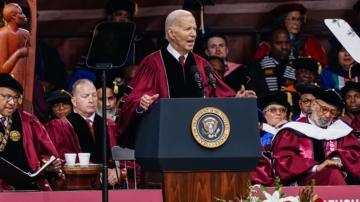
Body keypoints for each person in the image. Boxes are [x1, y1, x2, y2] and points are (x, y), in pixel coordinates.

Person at [117, 9, 256, 149]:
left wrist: (237, 100)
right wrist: (141, 105)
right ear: (171, 33)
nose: (193, 34)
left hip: (201, 142)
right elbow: (131, 103)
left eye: (194, 29)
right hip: (164, 144)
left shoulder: (201, 64)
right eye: (187, 29)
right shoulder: (152, 64)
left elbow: (218, 95)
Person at [271, 88, 360, 185]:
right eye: (324, 109)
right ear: (313, 105)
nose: (327, 115)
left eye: (333, 112)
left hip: (339, 178)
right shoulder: (292, 130)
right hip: (304, 182)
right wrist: (315, 167)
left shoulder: (341, 130)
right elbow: (283, 160)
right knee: (332, 174)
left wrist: (338, 159)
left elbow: (354, 153)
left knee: (334, 173)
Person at [45, 79, 120, 186]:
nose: (91, 100)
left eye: (94, 96)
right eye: (85, 96)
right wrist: (98, 170)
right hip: (76, 184)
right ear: (74, 101)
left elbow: (122, 158)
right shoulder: (60, 126)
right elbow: (61, 158)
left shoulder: (109, 125)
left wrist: (114, 171)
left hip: (110, 183)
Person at [68, 0, 155, 92]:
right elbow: (86, 62)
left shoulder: (139, 40)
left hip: (126, 78)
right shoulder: (100, 36)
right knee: (81, 73)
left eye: (127, 16)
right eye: (118, 14)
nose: (123, 19)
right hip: (101, 75)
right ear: (110, 17)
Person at [0, 73, 61, 191]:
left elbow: (45, 154)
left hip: (28, 184)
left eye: (16, 97)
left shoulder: (28, 120)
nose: (12, 103)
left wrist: (47, 165)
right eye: (7, 97)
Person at [254, 3, 327, 66]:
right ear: (282, 21)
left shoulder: (308, 42)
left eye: (299, 19)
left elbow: (318, 67)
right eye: (293, 19)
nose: (297, 23)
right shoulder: (267, 45)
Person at [245, 28, 295, 100]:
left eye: (287, 43)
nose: (284, 47)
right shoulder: (256, 69)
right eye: (279, 43)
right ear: (269, 45)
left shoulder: (299, 67)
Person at [0, 3, 29, 80]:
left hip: (25, 78)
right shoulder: (3, 33)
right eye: (21, 13)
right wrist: (18, 53)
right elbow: (3, 70)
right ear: (13, 16)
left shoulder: (25, 34)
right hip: (9, 83)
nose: (24, 16)